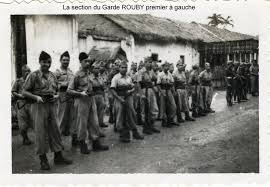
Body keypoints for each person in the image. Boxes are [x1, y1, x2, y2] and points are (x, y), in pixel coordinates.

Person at [22, 51, 72, 170]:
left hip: (51, 105)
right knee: (41, 132)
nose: (46, 64)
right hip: (39, 105)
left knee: (55, 130)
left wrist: (55, 96)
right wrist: (36, 97)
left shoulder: (53, 75)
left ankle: (58, 156)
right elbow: (24, 91)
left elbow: (57, 91)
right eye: (44, 62)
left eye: (49, 62)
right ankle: (43, 160)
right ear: (40, 62)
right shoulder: (33, 75)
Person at [67, 52, 109, 154]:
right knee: (82, 123)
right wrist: (80, 93)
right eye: (85, 61)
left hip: (91, 99)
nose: (87, 63)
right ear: (80, 62)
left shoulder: (90, 74)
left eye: (88, 61)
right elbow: (69, 90)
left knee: (94, 122)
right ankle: (82, 144)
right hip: (81, 101)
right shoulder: (77, 75)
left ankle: (95, 143)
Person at [110, 61, 144, 143]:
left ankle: (135, 132)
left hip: (128, 98)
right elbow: (113, 90)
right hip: (120, 98)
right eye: (122, 67)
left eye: (125, 67)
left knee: (131, 114)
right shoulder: (116, 78)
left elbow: (133, 87)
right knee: (120, 116)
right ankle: (123, 135)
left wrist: (131, 91)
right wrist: (120, 99)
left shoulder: (129, 77)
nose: (124, 69)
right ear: (119, 68)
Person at [54, 51, 75, 138]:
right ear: (60, 60)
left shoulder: (70, 71)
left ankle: (73, 139)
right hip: (62, 96)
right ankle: (58, 140)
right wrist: (62, 84)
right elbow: (53, 85)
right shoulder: (57, 72)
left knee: (71, 118)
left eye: (67, 60)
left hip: (70, 96)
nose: (66, 62)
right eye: (64, 60)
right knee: (61, 118)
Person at [12, 64, 33, 145]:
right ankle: (25, 138)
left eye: (29, 71)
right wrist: (19, 95)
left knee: (34, 122)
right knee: (22, 124)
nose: (27, 73)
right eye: (26, 71)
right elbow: (13, 91)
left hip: (31, 103)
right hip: (21, 104)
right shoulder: (18, 81)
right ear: (22, 72)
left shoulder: (32, 81)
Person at [137, 61, 160, 135]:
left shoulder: (151, 71)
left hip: (151, 90)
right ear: (144, 63)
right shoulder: (141, 72)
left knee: (154, 108)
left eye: (150, 62)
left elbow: (154, 79)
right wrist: (141, 94)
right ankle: (145, 128)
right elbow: (138, 83)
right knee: (145, 109)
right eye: (147, 62)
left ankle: (151, 125)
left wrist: (154, 86)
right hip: (144, 90)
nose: (149, 64)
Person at [157, 62, 180, 128]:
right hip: (163, 90)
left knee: (173, 106)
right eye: (166, 66)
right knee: (163, 106)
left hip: (169, 90)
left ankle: (170, 119)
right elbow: (158, 84)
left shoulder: (170, 74)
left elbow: (172, 83)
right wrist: (161, 92)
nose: (167, 67)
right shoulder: (160, 74)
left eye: (168, 66)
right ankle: (164, 121)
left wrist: (174, 91)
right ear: (163, 67)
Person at [90, 61, 108, 128]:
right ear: (92, 69)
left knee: (101, 110)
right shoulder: (90, 77)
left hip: (100, 95)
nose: (97, 70)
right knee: (94, 111)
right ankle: (95, 125)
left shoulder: (100, 77)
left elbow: (103, 87)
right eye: (95, 68)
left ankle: (101, 122)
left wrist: (104, 98)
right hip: (93, 95)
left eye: (98, 68)